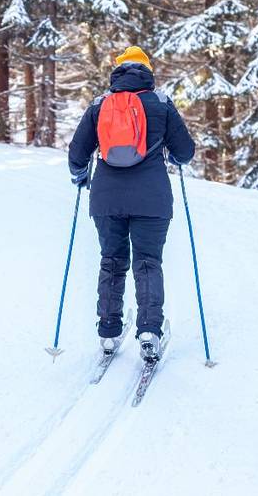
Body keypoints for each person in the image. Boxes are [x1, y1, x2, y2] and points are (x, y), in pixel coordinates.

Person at [67, 46, 195, 362]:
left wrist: (81, 176)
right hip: (152, 198)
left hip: (106, 197)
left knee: (111, 259)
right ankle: (149, 331)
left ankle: (108, 333)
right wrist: (173, 156)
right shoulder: (161, 103)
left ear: (119, 71)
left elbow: (77, 154)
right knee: (148, 261)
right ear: (148, 72)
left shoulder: (100, 105)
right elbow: (185, 152)